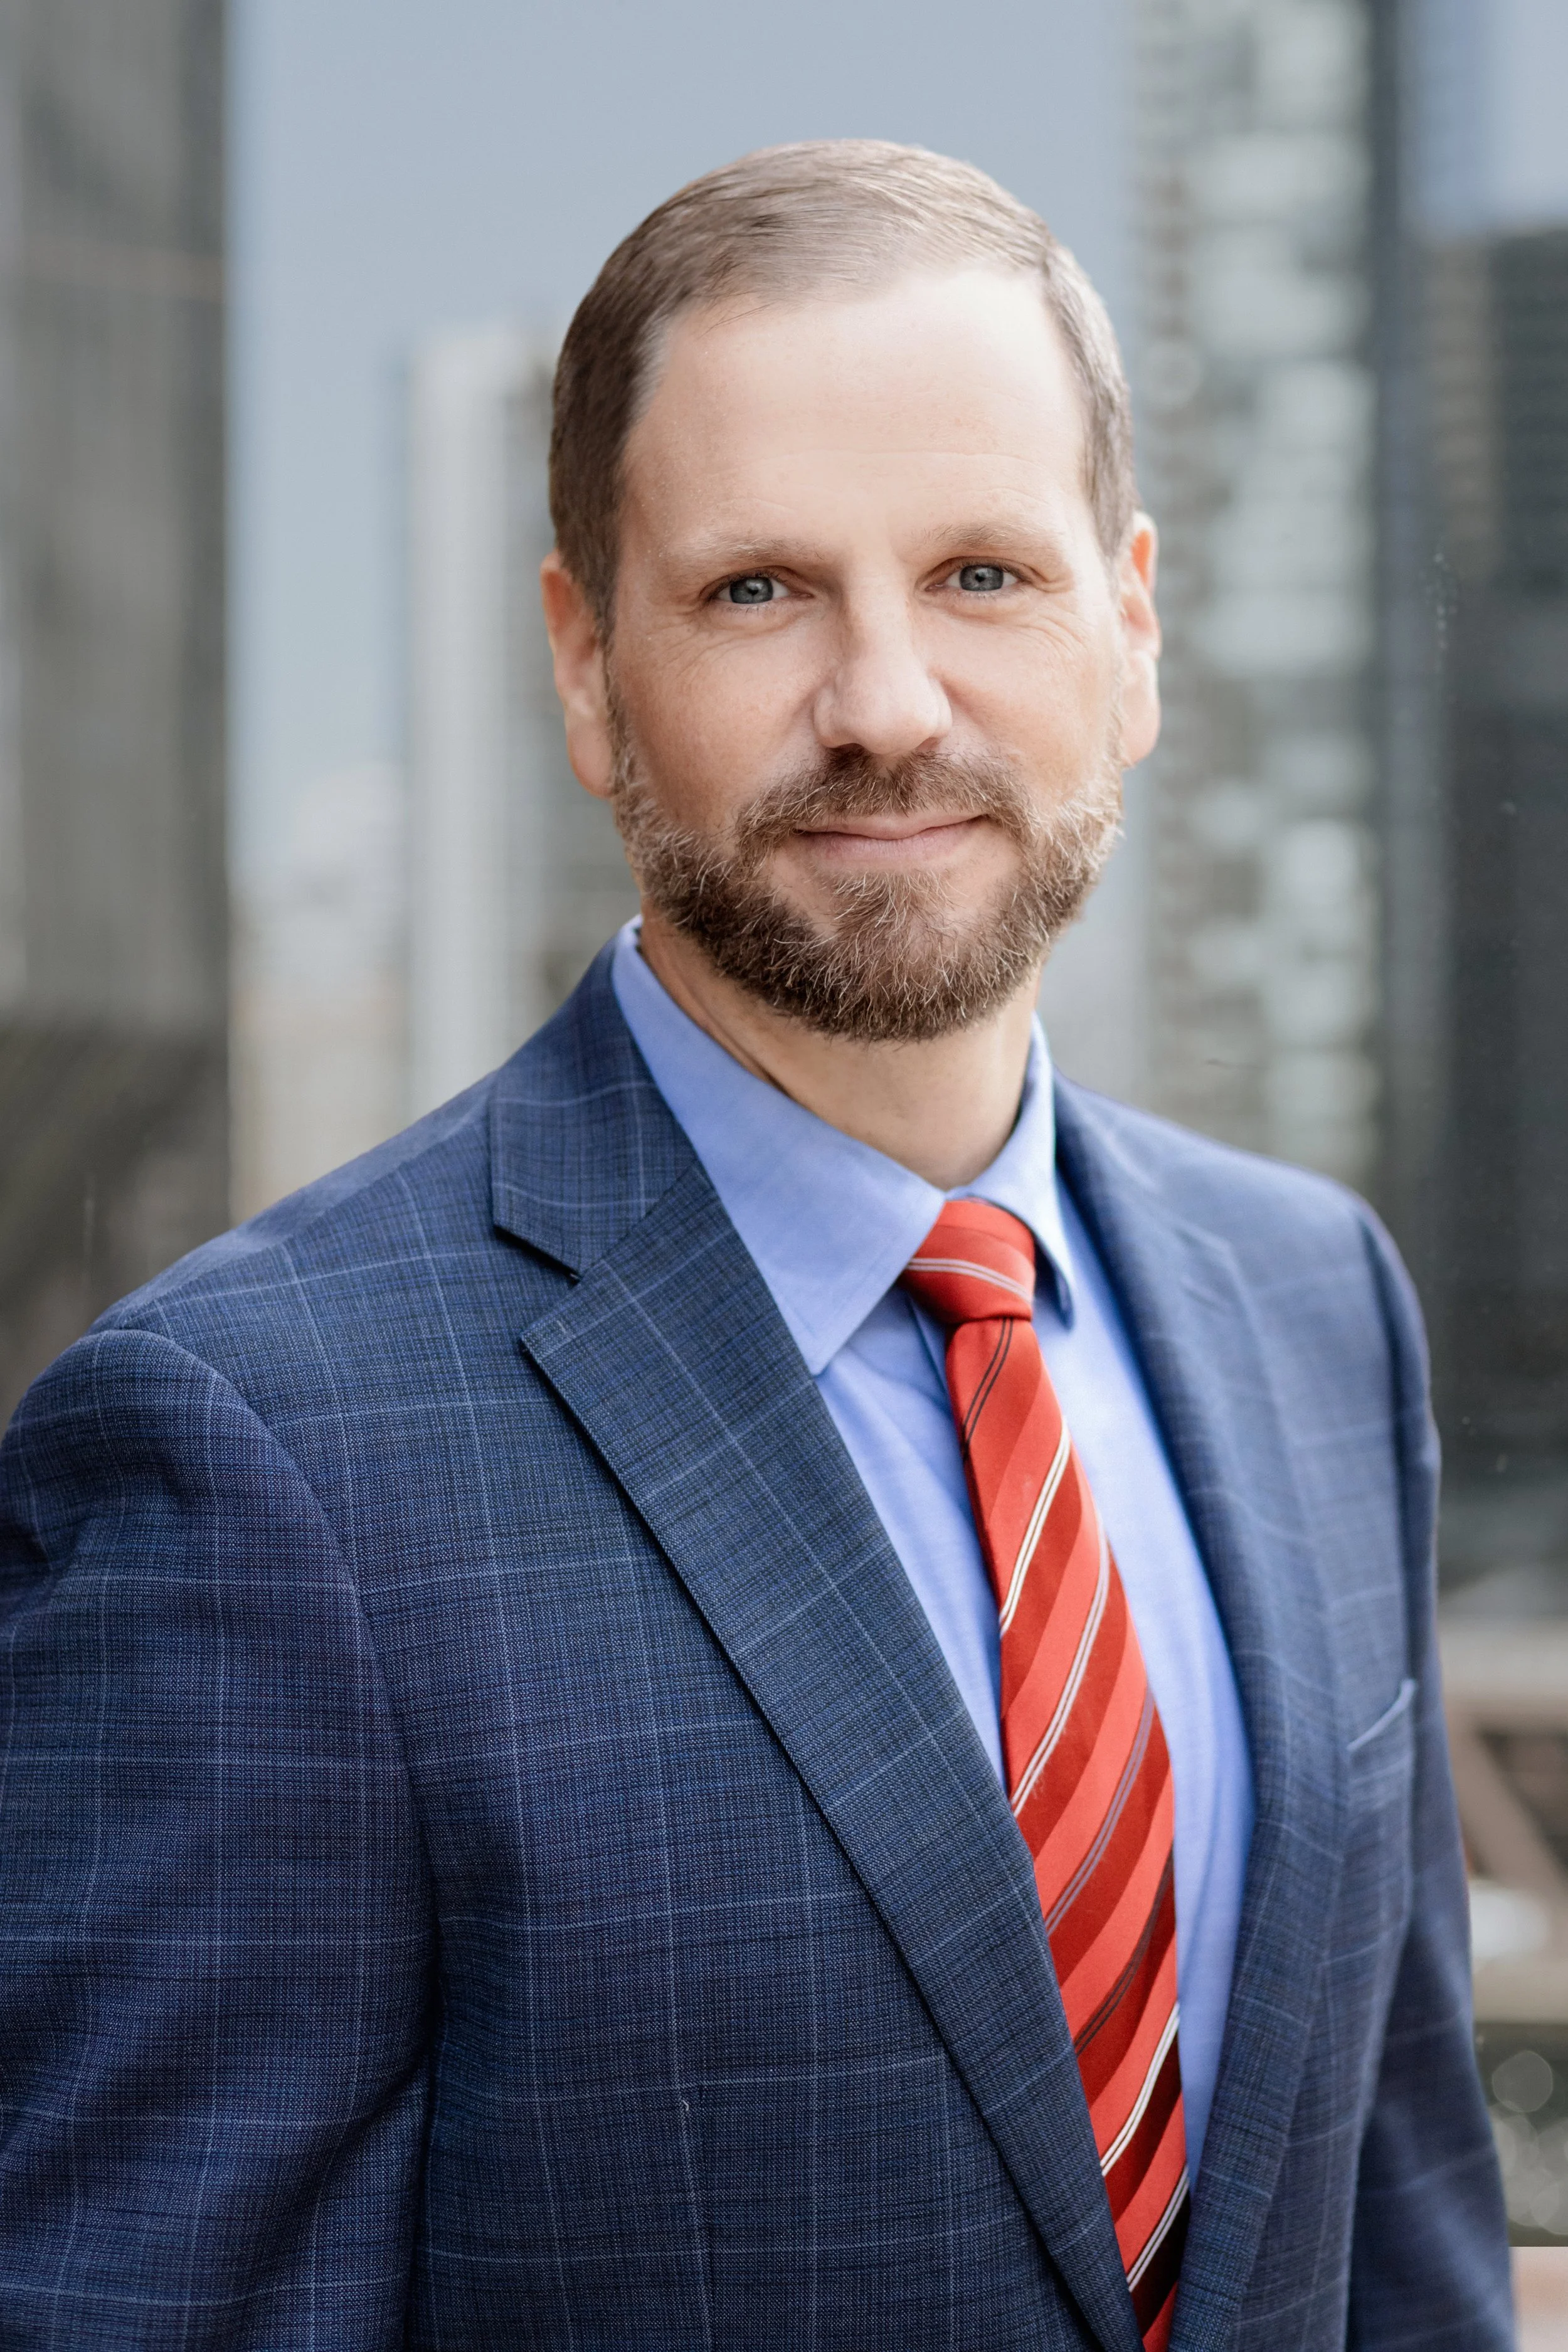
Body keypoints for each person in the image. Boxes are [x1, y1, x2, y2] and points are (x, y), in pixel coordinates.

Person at [0, 141, 1510, 2351]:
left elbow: (1399, 2247)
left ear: (1136, 625)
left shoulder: (1314, 1307)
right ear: (586, 663)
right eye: (755, 591)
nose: (887, 698)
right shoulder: (246, 1454)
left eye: (984, 572)